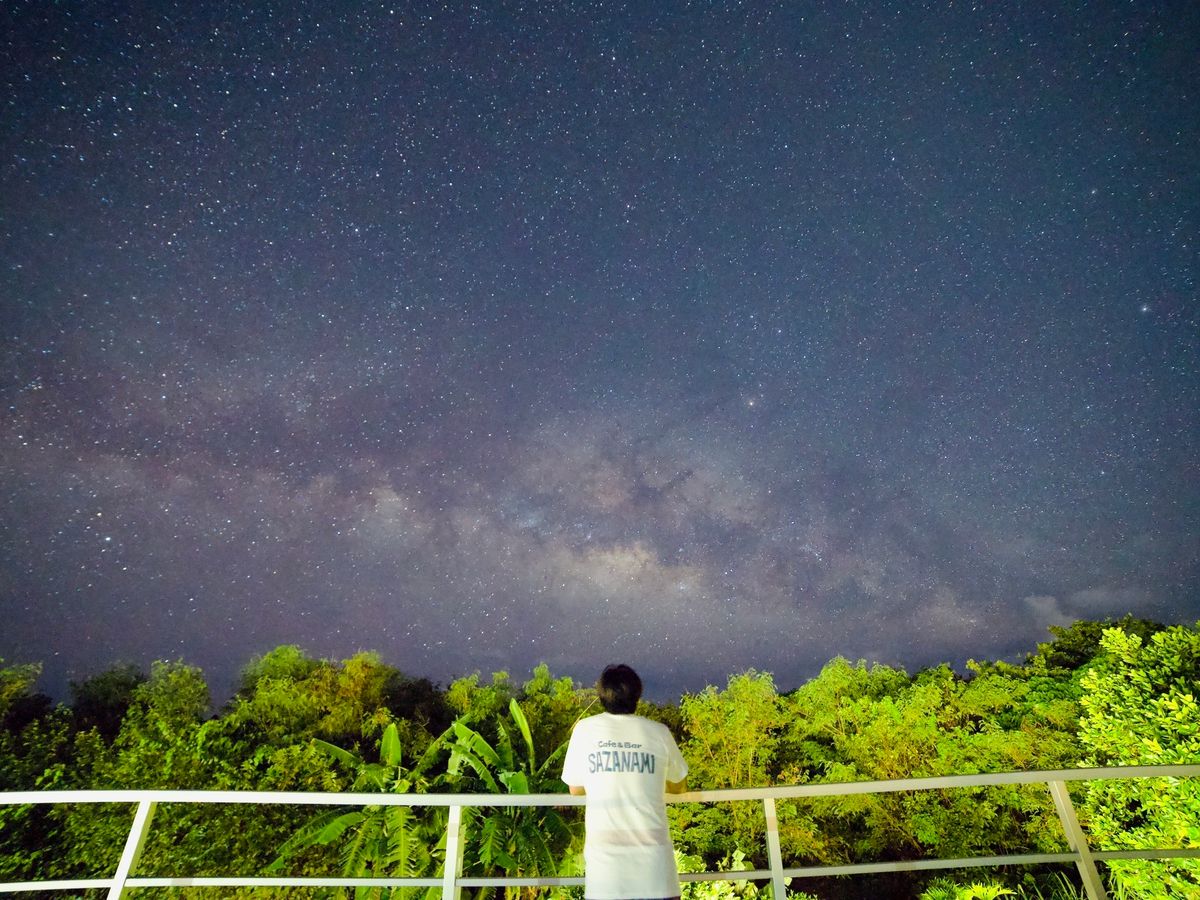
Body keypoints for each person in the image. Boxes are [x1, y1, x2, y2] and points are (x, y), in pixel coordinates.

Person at [562, 664, 689, 900]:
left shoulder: (585, 730)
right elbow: (680, 786)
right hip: (656, 873)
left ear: (602, 695)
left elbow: (575, 788)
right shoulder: (659, 732)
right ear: (637, 696)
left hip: (606, 877)